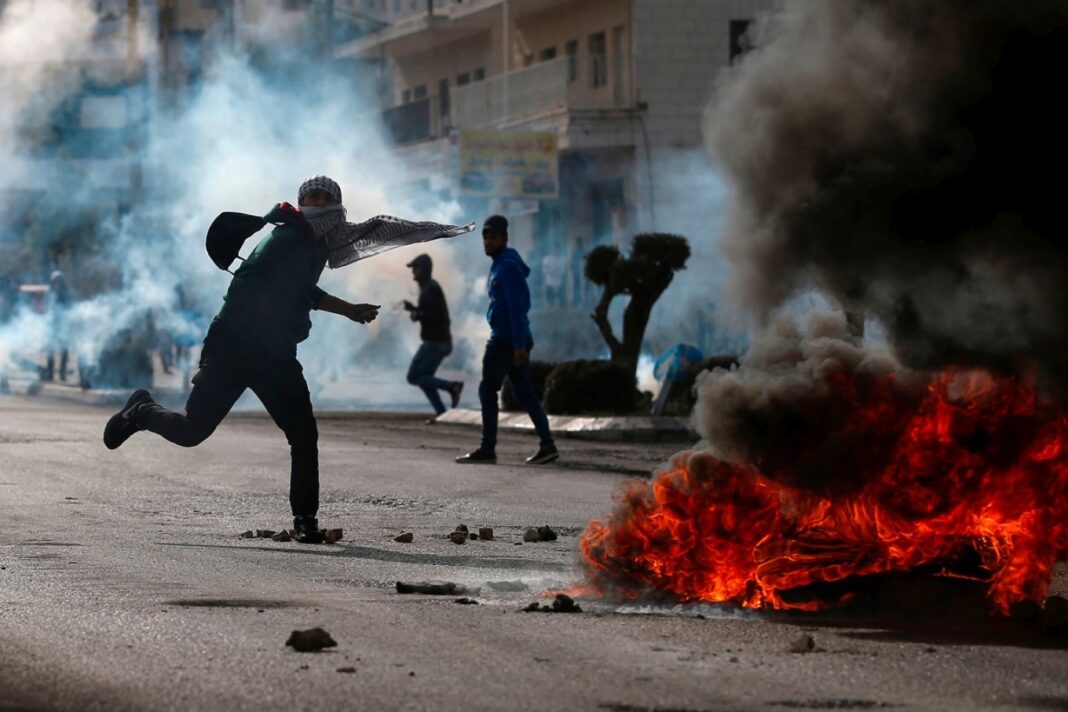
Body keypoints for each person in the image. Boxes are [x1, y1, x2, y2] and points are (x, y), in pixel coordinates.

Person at [102, 175, 380, 543]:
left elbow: (300, 288)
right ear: (302, 203)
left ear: (337, 204)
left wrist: (346, 310)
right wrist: (343, 309)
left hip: (275, 354)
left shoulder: (314, 244)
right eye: (311, 195)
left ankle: (304, 521)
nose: (318, 200)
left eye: (325, 195)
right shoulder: (286, 237)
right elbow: (271, 284)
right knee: (191, 432)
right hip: (233, 348)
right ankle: (141, 411)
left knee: (303, 435)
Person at [457, 215, 558, 465]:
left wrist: (519, 346)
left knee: (487, 391)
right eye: (485, 237)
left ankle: (487, 448)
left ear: (505, 238)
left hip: (505, 339)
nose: (488, 242)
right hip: (512, 337)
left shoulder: (507, 267)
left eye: (493, 237)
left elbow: (515, 307)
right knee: (525, 394)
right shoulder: (501, 263)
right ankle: (548, 445)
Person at [403, 253, 463, 420]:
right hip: (439, 341)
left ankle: (452, 387)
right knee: (424, 379)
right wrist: (414, 310)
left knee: (413, 376)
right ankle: (442, 414)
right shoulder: (429, 288)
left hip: (435, 343)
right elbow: (430, 313)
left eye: (415, 268)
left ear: (423, 270)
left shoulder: (430, 289)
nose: (413, 273)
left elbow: (433, 316)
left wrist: (417, 314)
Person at [45, 270, 72, 381]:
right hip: (52, 325)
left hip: (63, 325)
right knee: (50, 349)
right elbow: (46, 309)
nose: (57, 283)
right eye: (55, 281)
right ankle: (50, 373)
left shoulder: (66, 294)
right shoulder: (50, 294)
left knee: (64, 350)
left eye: (59, 280)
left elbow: (70, 308)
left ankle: (62, 373)